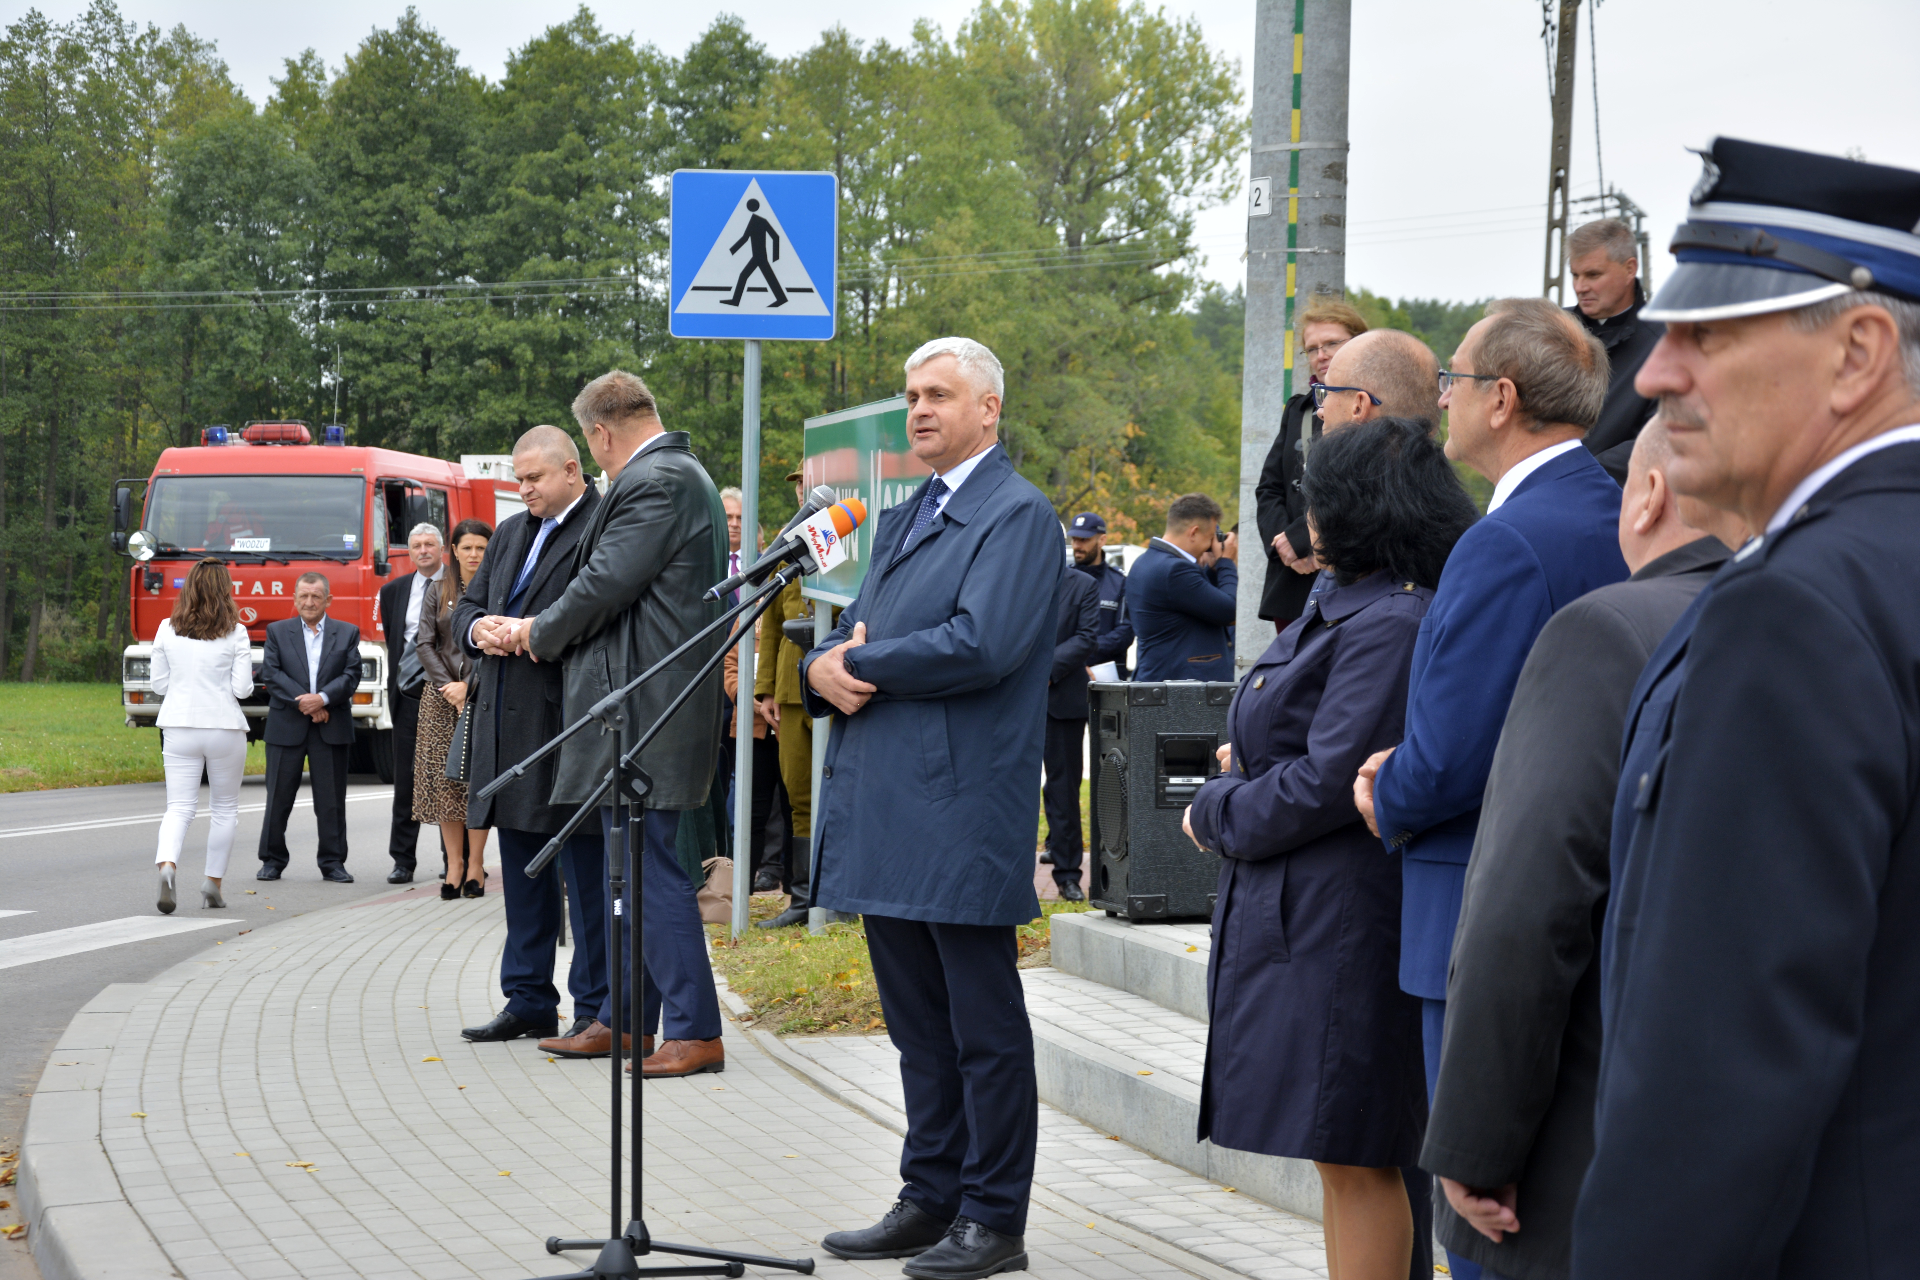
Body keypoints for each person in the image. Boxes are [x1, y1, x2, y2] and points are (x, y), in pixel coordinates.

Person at [1573, 138, 1920, 1280]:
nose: (1656, 375)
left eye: (1708, 333)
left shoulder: (1795, 610)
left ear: (1858, 352)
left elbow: (1720, 1079)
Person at [1420, 421, 1744, 1280]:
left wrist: (1473, 1140)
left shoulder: (1607, 631)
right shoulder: (1815, 618)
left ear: (1648, 496)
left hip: (1600, 1148)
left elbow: (1526, 905)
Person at [1349, 297, 1627, 1280]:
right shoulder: (1620, 512)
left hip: (1478, 906)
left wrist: (1387, 788)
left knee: (1483, 1217)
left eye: (1455, 379)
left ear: (1501, 399)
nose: (1443, 400)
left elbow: (1454, 753)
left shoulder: (1505, 540)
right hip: (1600, 892)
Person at [1185, 416, 1476, 1280]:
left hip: (1340, 917)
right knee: (1337, 1154)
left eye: (1319, 496)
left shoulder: (1390, 618)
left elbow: (1328, 780)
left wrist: (1217, 809)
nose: (1304, 513)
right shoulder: (1345, 600)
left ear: (1362, 507)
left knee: (1354, 1153)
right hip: (1305, 909)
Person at [803, 337, 1060, 1280]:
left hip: (959, 808)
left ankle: (994, 1218)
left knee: (981, 1031)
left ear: (989, 408)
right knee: (917, 1027)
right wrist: (818, 664)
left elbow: (981, 642)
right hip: (891, 803)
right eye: (912, 395)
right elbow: (852, 626)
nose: (919, 410)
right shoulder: (909, 512)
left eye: (939, 395)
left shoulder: (1017, 514)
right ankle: (930, 1197)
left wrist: (858, 662)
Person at [474, 371, 728, 1078]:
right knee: (630, 871)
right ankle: (624, 1020)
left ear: (599, 434)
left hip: (646, 710)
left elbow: (603, 585)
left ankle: (694, 1030)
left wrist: (533, 631)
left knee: (649, 872)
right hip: (640, 707)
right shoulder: (674, 475)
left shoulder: (656, 481)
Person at [454, 426, 608, 1047]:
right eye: (518, 480)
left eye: (534, 478)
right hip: (503, 727)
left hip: (565, 725)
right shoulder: (512, 531)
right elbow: (465, 607)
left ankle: (594, 1008)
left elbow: (596, 614)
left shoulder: (601, 526)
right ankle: (528, 1000)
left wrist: (527, 630)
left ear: (571, 471)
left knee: (586, 875)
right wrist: (480, 630)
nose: (523, 490)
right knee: (522, 874)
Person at [1252, 301, 1369, 624]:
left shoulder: (1378, 408)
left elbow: (1364, 487)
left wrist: (1306, 539)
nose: (1321, 355)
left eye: (1332, 343)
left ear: (1360, 344)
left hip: (1352, 575)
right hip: (1293, 581)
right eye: (1312, 348)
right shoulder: (1298, 410)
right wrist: (1285, 547)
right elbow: (1269, 488)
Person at [150, 558, 254, 913]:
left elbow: (158, 684)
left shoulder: (166, 629)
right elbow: (242, 689)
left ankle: (167, 865)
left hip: (179, 725)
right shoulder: (236, 631)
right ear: (226, 590)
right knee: (224, 809)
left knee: (178, 807)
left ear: (189, 588)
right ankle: (213, 882)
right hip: (224, 726)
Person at [257, 572, 361, 882]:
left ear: (328, 600)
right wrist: (305, 703)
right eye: (303, 596)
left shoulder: (347, 633)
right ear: (295, 598)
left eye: (316, 596)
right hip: (286, 725)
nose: (309, 602)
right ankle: (272, 860)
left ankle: (333, 863)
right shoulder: (277, 631)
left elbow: (351, 675)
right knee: (278, 799)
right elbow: (271, 673)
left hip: (331, 726)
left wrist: (323, 699)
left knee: (331, 802)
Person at [755, 472, 823, 928]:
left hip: (836, 685)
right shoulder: (788, 540)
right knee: (798, 792)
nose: (803, 489)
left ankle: (840, 895)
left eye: (811, 482)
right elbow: (773, 623)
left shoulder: (854, 536)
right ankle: (802, 898)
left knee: (840, 793)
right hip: (791, 689)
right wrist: (765, 689)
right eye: (800, 483)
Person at [415, 518, 492, 898]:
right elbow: (424, 642)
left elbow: (497, 642)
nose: (474, 554)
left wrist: (469, 687)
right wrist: (450, 687)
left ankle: (476, 864)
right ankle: (455, 865)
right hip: (440, 697)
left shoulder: (497, 589)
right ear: (455, 552)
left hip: (484, 695)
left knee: (478, 781)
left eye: (481, 547)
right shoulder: (437, 589)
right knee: (446, 784)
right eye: (467, 547)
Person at [1565, 218, 1662, 482]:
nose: (1580, 287)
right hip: (1540, 493)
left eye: (1593, 275)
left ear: (1630, 269)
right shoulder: (1551, 333)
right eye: (1575, 275)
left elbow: (1661, 436)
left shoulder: (1666, 345)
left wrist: (1579, 478)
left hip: (1623, 498)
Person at [377, 523, 446, 884]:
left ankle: (456, 860)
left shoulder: (460, 586)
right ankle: (403, 861)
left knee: (451, 779)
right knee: (405, 780)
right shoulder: (393, 591)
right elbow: (395, 641)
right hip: (407, 697)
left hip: (448, 694)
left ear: (441, 548)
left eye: (429, 544)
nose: (422, 550)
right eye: (416, 545)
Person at [1128, 494, 1238, 681]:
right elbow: (1230, 611)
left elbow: (1198, 603)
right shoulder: (1175, 570)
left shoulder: (1146, 561)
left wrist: (1212, 570)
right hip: (1179, 687)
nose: (1210, 546)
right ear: (1193, 533)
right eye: (1210, 538)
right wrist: (1226, 562)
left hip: (1160, 678)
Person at [1042, 564, 1099, 901]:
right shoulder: (1009, 575)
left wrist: (1044, 670)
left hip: (1061, 698)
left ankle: (1067, 875)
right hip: (1011, 697)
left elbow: (1086, 637)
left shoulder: (1083, 585)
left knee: (1064, 789)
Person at [1065, 513, 1133, 679]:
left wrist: (1082, 652)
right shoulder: (1063, 581)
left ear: (1102, 540)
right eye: (1074, 539)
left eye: (1084, 540)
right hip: (1066, 672)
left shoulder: (1120, 582)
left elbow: (1125, 632)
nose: (1077, 545)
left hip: (1106, 674)